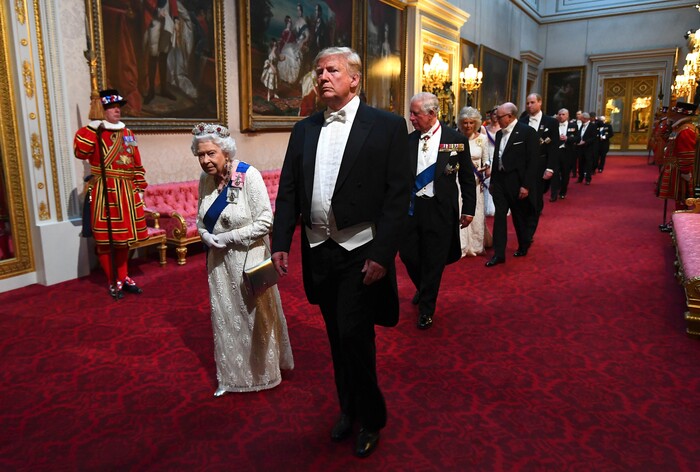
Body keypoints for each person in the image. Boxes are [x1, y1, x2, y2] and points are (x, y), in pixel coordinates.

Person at [271, 47, 410, 458]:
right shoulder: (305, 129)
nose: (323, 77)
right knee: (337, 337)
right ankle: (348, 409)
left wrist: (383, 254)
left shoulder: (386, 126)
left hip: (360, 250)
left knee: (354, 335)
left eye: (332, 70)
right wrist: (281, 242)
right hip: (319, 249)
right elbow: (289, 191)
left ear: (355, 79)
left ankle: (371, 417)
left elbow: (397, 197)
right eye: (319, 71)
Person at [193, 122, 294, 396]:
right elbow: (200, 218)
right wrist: (204, 234)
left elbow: (265, 221)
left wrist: (227, 238)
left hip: (250, 261)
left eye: (211, 153)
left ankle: (263, 374)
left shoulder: (248, 176)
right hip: (219, 266)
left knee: (254, 318)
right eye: (200, 155)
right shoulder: (205, 180)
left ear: (225, 152)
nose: (205, 160)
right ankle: (232, 377)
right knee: (226, 319)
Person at [400, 94, 475, 329]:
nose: (411, 118)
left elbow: (466, 178)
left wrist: (469, 209)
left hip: (440, 209)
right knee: (408, 255)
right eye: (410, 113)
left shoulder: (455, 140)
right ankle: (423, 287)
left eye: (415, 114)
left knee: (433, 260)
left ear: (432, 114)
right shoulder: (408, 141)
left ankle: (426, 308)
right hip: (412, 209)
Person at [74, 89, 149, 299]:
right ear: (102, 110)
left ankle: (123, 276)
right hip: (104, 191)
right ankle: (112, 280)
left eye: (118, 107)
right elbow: (81, 152)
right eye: (111, 107)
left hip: (126, 191)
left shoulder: (128, 134)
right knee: (106, 239)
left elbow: (136, 162)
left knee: (123, 239)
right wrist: (91, 127)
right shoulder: (92, 133)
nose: (117, 110)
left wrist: (139, 188)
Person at [485, 102, 539, 267]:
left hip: (517, 182)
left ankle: (523, 244)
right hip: (500, 181)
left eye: (499, 116)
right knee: (500, 217)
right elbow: (496, 158)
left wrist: (526, 185)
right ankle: (499, 254)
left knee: (519, 216)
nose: (496, 119)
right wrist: (493, 181)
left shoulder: (527, 132)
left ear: (510, 116)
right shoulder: (500, 134)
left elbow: (533, 162)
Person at [519, 93, 557, 243]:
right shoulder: (522, 122)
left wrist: (551, 168)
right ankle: (524, 231)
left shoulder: (550, 122)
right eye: (527, 103)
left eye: (532, 102)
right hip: (523, 168)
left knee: (535, 201)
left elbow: (554, 148)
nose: (529, 106)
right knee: (523, 202)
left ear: (540, 102)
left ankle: (529, 233)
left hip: (541, 167)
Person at [657, 102, 699, 232]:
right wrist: (668, 125)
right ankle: (677, 221)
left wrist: (685, 171)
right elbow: (663, 137)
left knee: (682, 196)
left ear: (681, 114)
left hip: (679, 168)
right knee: (678, 197)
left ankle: (681, 223)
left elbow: (686, 153)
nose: (672, 115)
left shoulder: (686, 130)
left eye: (674, 112)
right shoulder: (678, 128)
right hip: (673, 167)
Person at [457, 106, 490, 257]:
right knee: (460, 210)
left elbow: (486, 160)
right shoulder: (455, 138)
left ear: (476, 123)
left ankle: (476, 245)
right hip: (458, 180)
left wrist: (487, 168)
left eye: (471, 122)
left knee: (475, 212)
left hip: (476, 182)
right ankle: (461, 245)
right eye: (465, 122)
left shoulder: (482, 139)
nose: (468, 126)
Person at [143, 0, 179, 104]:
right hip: (154, 18)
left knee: (164, 54)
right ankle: (151, 91)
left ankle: (163, 89)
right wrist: (156, 12)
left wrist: (176, 19)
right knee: (153, 55)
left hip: (167, 18)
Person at [553, 108, 579, 200]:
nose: (561, 116)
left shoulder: (573, 125)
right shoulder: (554, 125)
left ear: (567, 115)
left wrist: (567, 138)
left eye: (563, 114)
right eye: (559, 114)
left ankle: (563, 192)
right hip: (556, 152)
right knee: (554, 173)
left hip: (567, 153)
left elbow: (577, 138)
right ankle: (554, 194)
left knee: (565, 174)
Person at [482, 108, 500, 216]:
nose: (495, 116)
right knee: (487, 182)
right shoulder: (484, 129)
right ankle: (487, 206)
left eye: (498, 115)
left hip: (499, 158)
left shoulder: (503, 128)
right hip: (488, 157)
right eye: (494, 114)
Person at [576, 112, 598, 185]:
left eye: (581, 117)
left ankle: (588, 179)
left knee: (588, 164)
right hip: (580, 148)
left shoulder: (593, 126)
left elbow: (594, 138)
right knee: (580, 164)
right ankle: (580, 178)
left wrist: (585, 142)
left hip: (589, 148)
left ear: (585, 118)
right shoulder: (581, 125)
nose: (580, 118)